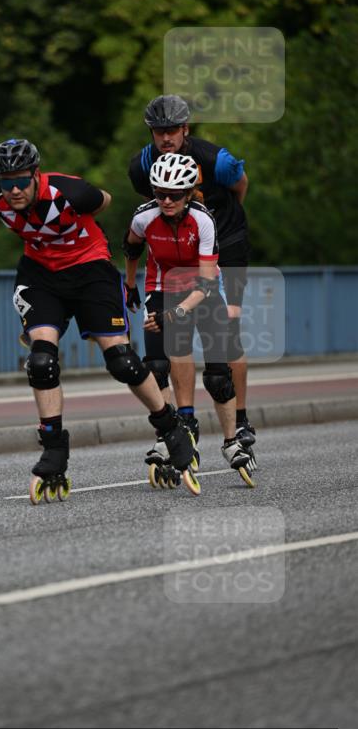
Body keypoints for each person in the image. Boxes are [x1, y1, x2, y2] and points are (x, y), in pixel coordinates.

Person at [0, 137, 199, 502]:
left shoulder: (71, 193)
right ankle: (53, 450)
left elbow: (105, 201)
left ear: (37, 175)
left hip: (90, 269)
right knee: (41, 361)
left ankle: (170, 427)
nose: (14, 190)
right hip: (41, 275)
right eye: (7, 183)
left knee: (122, 362)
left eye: (22, 181)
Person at [128, 95, 256, 463]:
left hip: (224, 239)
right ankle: (182, 423)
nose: (165, 138)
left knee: (227, 329)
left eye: (172, 131)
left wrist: (224, 221)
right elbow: (155, 209)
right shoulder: (141, 166)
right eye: (158, 132)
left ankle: (242, 421)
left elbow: (241, 185)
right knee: (167, 348)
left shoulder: (217, 159)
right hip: (178, 247)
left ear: (186, 129)